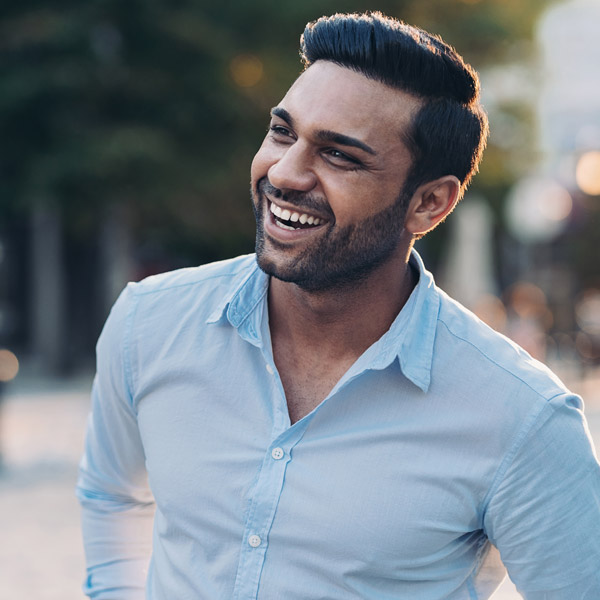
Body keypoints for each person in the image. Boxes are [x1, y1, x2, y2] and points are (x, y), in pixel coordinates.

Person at [77, 12, 600, 600]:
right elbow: (111, 496)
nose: (285, 172)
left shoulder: (522, 418)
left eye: (339, 156)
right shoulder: (148, 324)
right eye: (282, 132)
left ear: (429, 204)